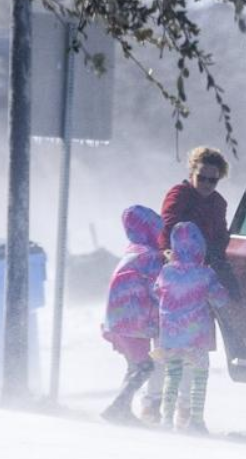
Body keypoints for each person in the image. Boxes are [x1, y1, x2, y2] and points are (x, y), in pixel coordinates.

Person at [147, 146, 236, 426]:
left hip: (200, 280)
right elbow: (169, 226)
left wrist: (219, 268)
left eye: (213, 180)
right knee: (167, 347)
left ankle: (186, 408)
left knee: (193, 347)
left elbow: (220, 237)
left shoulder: (218, 203)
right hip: (173, 277)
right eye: (203, 178)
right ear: (192, 173)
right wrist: (173, 255)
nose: (207, 185)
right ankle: (154, 402)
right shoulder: (179, 194)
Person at [154, 221, 230, 433]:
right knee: (199, 375)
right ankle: (196, 421)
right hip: (196, 337)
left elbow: (156, 291)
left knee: (173, 374)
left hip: (170, 337)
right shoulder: (205, 273)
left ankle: (166, 419)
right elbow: (220, 298)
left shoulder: (166, 272)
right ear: (201, 247)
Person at [99, 205, 164, 425]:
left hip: (117, 320)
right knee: (145, 366)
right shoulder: (150, 256)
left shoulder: (131, 252)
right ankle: (116, 406)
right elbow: (157, 288)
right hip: (135, 323)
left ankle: (122, 408)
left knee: (135, 366)